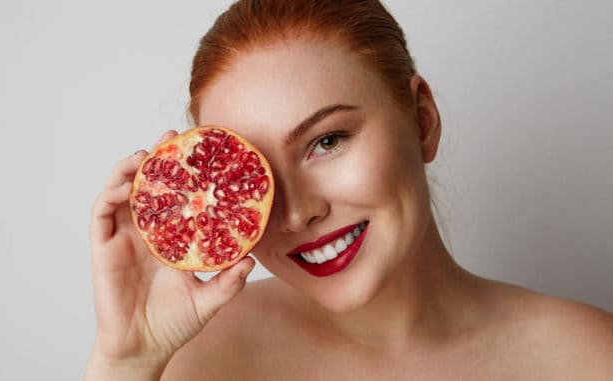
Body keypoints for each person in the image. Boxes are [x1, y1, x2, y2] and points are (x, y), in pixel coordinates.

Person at [85, 1, 613, 379]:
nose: (295, 214)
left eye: (327, 141)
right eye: (252, 178)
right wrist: (127, 362)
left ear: (423, 120)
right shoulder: (198, 356)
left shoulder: (588, 358)